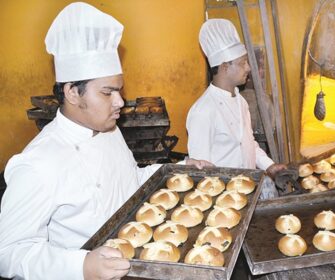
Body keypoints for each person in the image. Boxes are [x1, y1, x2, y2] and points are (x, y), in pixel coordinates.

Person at [0, 3, 211, 279]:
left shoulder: (108, 130)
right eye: (107, 92)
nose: (120, 102)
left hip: (137, 256)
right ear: (73, 93)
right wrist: (81, 265)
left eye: (119, 91)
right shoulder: (38, 164)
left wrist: (178, 168)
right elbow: (8, 253)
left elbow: (130, 180)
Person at [186, 18, 286, 179]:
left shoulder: (241, 102)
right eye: (243, 63)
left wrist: (269, 165)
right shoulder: (203, 111)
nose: (249, 67)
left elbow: (247, 143)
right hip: (224, 198)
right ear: (225, 67)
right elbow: (199, 170)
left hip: (247, 189)